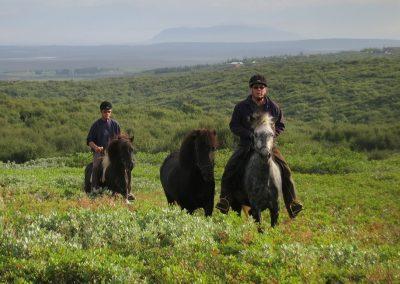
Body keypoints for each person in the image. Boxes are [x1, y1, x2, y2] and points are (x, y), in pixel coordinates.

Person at [216, 74, 303, 218]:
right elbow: (234, 125)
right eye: (256, 87)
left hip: (268, 146)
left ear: (266, 90)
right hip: (246, 145)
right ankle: (225, 200)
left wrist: (271, 135)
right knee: (230, 168)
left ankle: (292, 203)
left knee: (285, 169)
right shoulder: (241, 107)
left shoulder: (274, 107)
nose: (259, 90)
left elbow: (281, 125)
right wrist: (249, 134)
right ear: (251, 89)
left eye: (262, 87)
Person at [87, 101, 121, 190]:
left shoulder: (115, 124)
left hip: (112, 153)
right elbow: (89, 141)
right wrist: (96, 147)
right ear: (101, 112)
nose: (107, 113)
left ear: (111, 112)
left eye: (109, 112)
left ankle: (128, 191)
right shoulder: (96, 125)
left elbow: (119, 140)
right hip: (100, 152)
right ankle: (94, 187)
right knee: (96, 166)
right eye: (105, 112)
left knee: (126, 166)